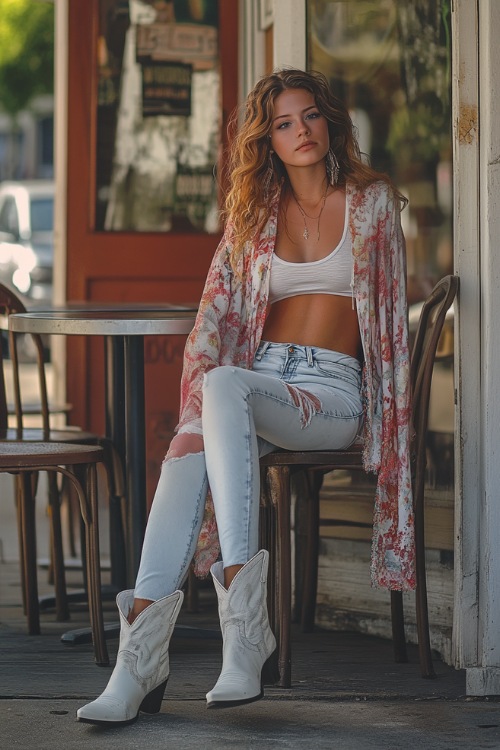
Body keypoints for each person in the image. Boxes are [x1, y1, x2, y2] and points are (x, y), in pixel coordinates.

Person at [77, 68, 415, 727]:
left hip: (334, 393)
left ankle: (233, 629)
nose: (301, 131)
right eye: (284, 124)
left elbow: (394, 323)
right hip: (263, 382)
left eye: (310, 116)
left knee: (219, 391)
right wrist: (213, 390)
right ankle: (141, 657)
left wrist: (392, 425)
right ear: (268, 141)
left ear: (330, 122)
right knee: (194, 437)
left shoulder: (371, 203)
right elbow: (217, 314)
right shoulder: (254, 215)